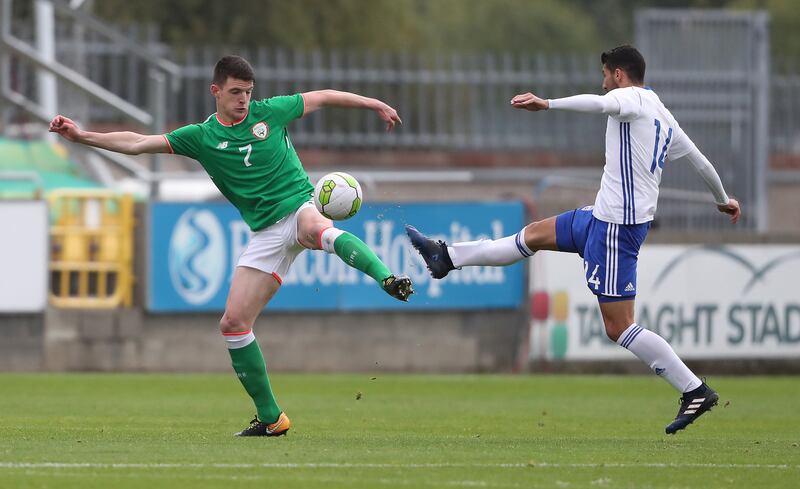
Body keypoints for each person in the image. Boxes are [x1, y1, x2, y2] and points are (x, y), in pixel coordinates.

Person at [50, 55, 414, 437]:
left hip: (299, 206)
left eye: (248, 92)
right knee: (234, 324)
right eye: (236, 92)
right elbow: (139, 143)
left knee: (314, 228)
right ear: (216, 91)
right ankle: (272, 419)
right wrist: (82, 136)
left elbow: (321, 96)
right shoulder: (201, 137)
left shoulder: (269, 113)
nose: (244, 100)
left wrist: (374, 104)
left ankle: (386, 278)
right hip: (265, 236)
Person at [406, 45, 740, 435]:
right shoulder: (663, 115)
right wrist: (723, 200)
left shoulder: (627, 98)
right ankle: (447, 257)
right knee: (529, 236)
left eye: (605, 75)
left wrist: (547, 104)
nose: (602, 84)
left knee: (619, 327)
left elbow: (598, 106)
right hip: (598, 217)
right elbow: (701, 161)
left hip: (617, 228)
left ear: (618, 74)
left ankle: (694, 389)